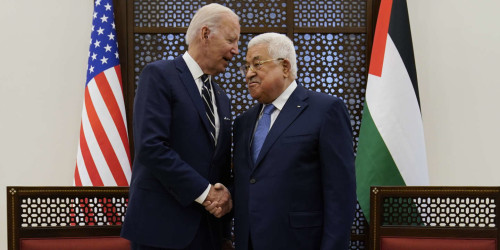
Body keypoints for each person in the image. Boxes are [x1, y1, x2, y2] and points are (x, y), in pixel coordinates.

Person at [121, 3, 239, 250]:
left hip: (208, 233)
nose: (235, 51)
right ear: (205, 34)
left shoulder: (222, 98)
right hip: (161, 231)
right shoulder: (159, 75)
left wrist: (225, 222)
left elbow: (219, 164)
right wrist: (206, 193)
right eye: (231, 40)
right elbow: (151, 147)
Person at [232, 32, 357, 250]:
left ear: (285, 67)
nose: (248, 74)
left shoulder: (325, 110)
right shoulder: (243, 122)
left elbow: (340, 194)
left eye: (257, 64)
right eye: (246, 66)